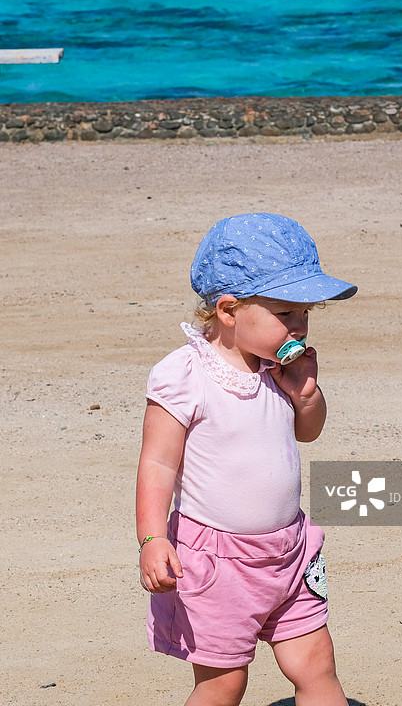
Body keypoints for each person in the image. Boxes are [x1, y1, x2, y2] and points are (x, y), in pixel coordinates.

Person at [136, 212, 358, 706]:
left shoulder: (278, 367)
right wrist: (152, 538)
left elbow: (308, 434)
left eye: (307, 313)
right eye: (286, 313)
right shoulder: (184, 375)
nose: (299, 326)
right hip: (216, 562)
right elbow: (157, 465)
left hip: (290, 550)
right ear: (230, 310)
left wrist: (306, 396)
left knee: (316, 665)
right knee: (223, 683)